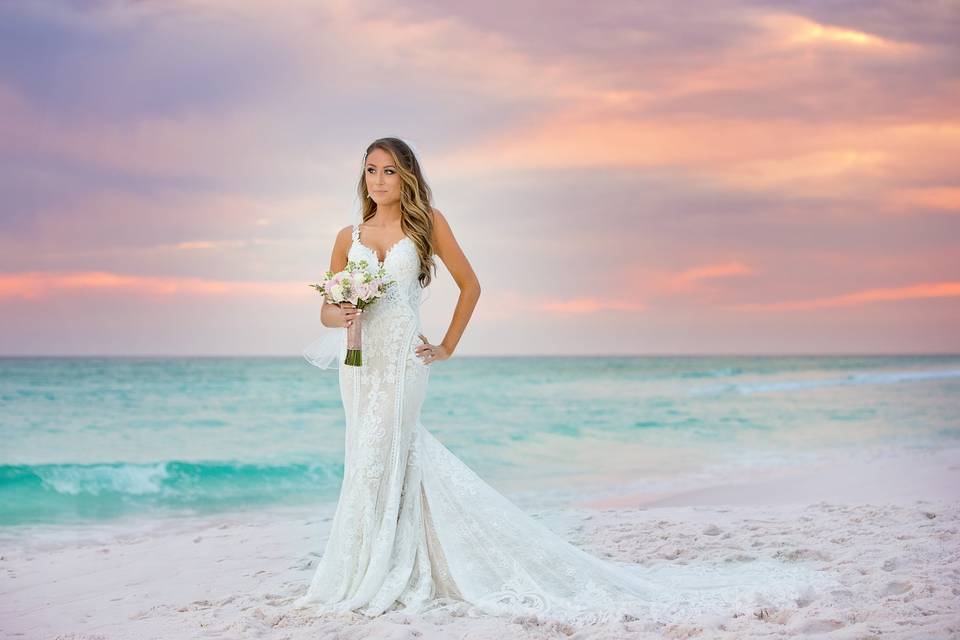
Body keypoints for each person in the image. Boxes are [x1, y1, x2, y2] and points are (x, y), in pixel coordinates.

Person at [292, 137, 838, 626]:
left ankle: (382, 570)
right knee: (371, 456)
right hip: (359, 365)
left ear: (406, 176)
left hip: (405, 365)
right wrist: (341, 314)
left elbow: (471, 285)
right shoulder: (349, 236)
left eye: (388, 171)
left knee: (384, 451)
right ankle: (384, 565)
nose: (378, 180)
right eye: (370, 170)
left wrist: (448, 347)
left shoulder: (426, 223)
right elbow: (326, 310)